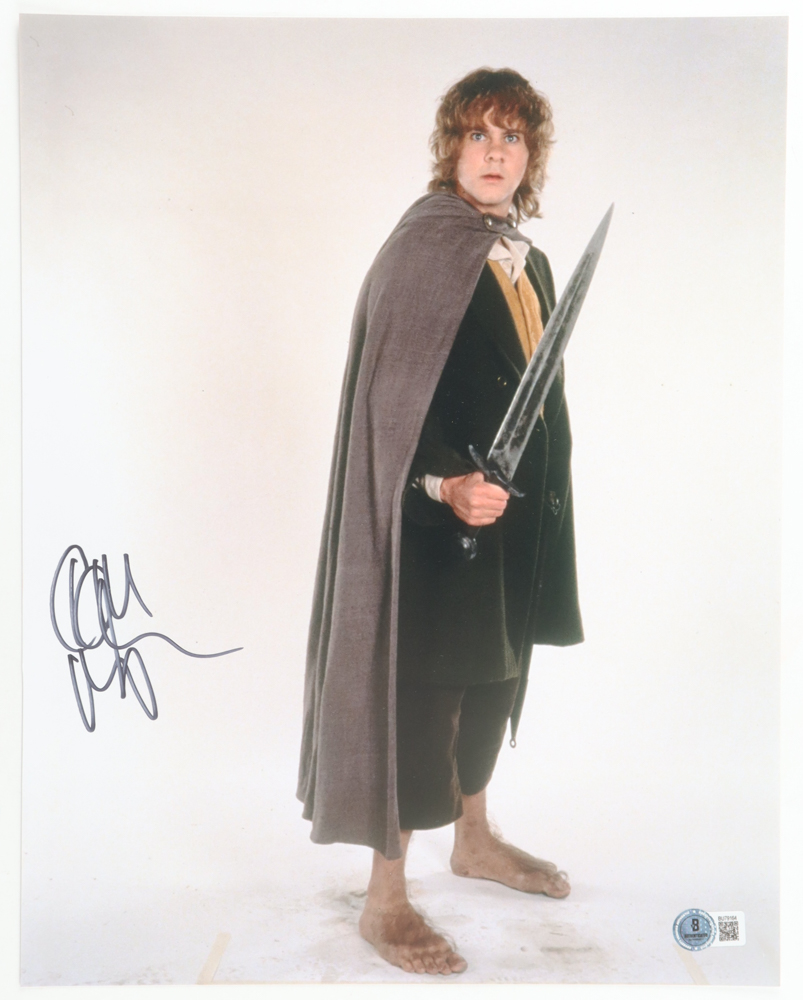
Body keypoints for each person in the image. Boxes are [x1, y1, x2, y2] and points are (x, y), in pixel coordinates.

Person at [298, 67, 584, 976]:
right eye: (476, 135)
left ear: (530, 155)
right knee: (424, 699)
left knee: (494, 678)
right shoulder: (423, 249)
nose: (494, 152)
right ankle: (384, 897)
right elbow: (385, 409)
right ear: (449, 149)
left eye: (511, 137)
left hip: (514, 521)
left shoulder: (526, 257)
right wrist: (441, 485)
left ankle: (475, 839)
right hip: (431, 526)